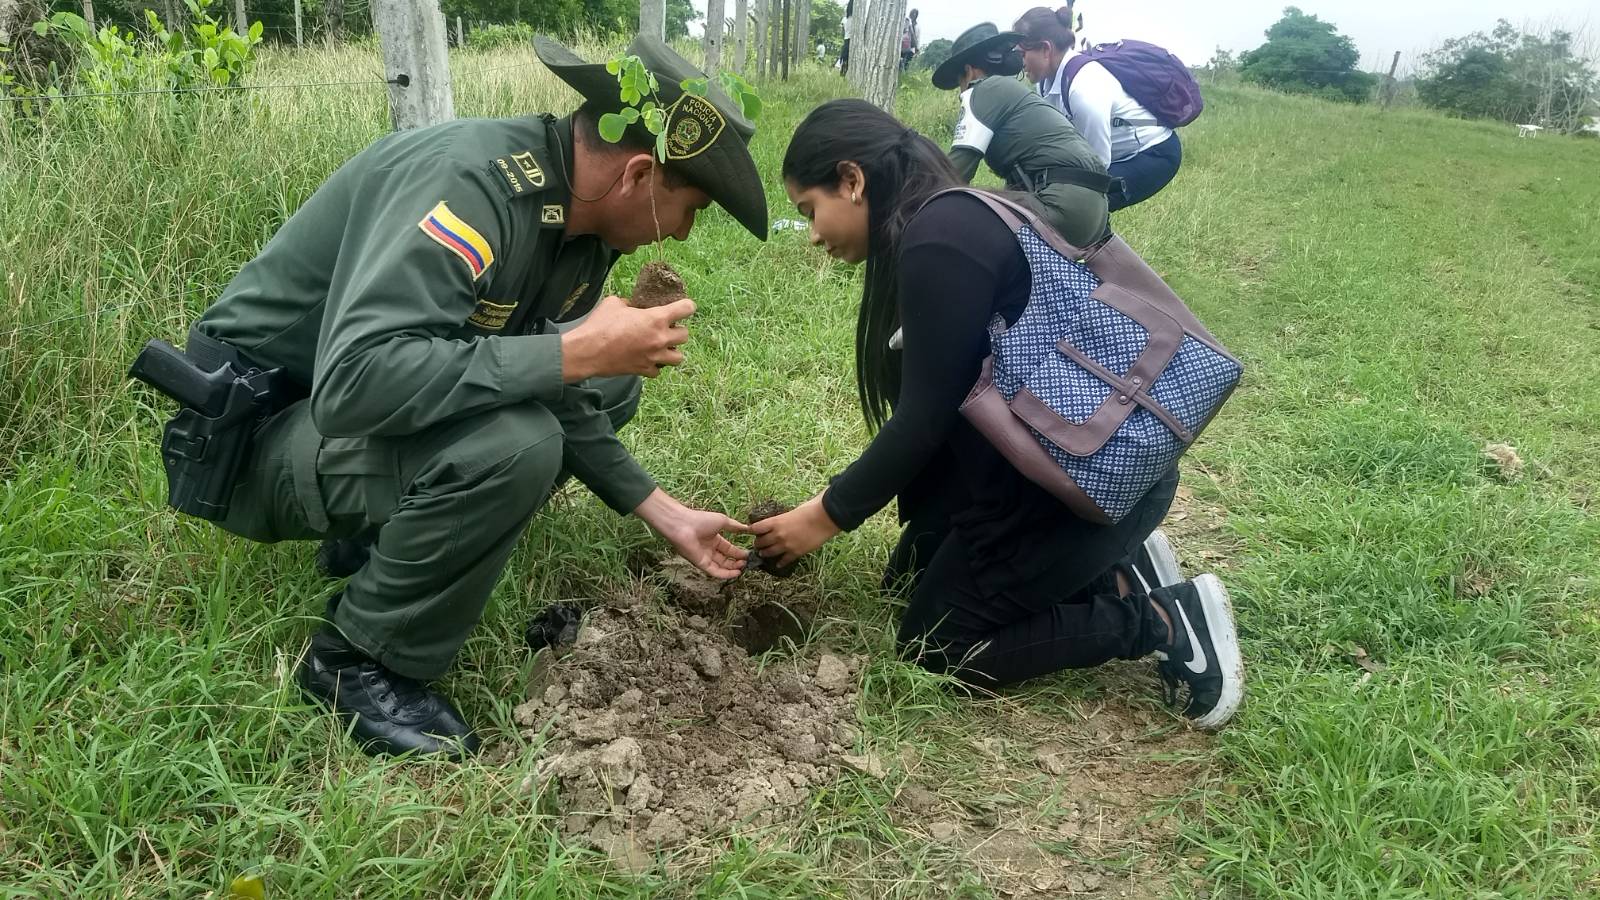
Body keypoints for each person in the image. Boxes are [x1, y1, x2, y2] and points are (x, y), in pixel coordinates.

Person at [151, 35, 766, 760]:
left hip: (337, 424)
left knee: (607, 377)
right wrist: (568, 351)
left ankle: (384, 535)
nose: (685, 233)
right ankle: (356, 663)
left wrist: (662, 512)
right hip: (258, 436)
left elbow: (551, 379)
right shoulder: (470, 187)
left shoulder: (579, 227)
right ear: (637, 174)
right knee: (519, 442)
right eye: (690, 208)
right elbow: (351, 386)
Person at [751, 99, 1242, 728]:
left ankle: (1165, 620)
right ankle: (1115, 574)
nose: (813, 234)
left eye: (809, 211)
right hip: (1067, 473)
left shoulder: (940, 238)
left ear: (851, 180)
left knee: (938, 647)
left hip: (1078, 487)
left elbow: (922, 422)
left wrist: (821, 518)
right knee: (910, 577)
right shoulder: (953, 217)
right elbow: (954, 413)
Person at [932, 21, 1109, 247]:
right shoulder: (1016, 94)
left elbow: (955, 172)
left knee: (969, 217)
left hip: (1062, 204)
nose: (960, 90)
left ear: (969, 71)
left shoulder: (982, 90)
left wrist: (908, 206)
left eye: (959, 83)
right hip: (1094, 211)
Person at [1014, 6, 1182, 212]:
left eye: (1022, 53)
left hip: (1154, 154)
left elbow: (1095, 169)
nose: (1020, 62)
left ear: (1046, 49)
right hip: (1114, 154)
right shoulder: (1045, 81)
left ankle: (1098, 244)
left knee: (1082, 205)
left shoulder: (1084, 90)